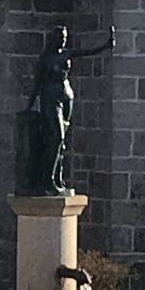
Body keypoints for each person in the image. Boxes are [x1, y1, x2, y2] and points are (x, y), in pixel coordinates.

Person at [25, 24, 116, 195]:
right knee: (55, 138)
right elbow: (36, 86)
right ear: (54, 39)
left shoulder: (66, 54)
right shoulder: (44, 61)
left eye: (65, 38)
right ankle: (47, 179)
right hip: (50, 98)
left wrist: (105, 45)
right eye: (60, 38)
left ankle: (58, 178)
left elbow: (87, 52)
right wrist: (28, 108)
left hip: (66, 96)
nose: (63, 41)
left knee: (62, 142)